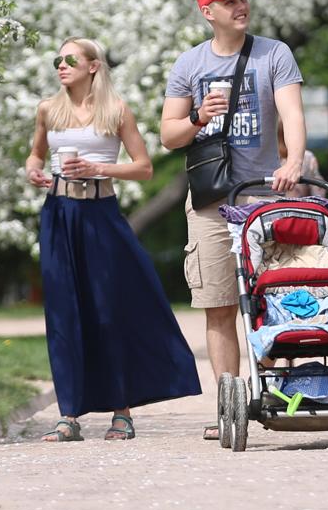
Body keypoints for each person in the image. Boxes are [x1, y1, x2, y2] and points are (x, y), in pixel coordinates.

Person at [26, 37, 201, 441]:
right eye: (58, 60)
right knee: (63, 313)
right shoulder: (48, 110)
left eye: (70, 59)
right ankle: (68, 415)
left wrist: (98, 168)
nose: (61, 66)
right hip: (58, 215)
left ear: (93, 66)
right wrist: (33, 171)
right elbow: (35, 155)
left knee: (108, 310)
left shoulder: (117, 111)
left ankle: (122, 412)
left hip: (100, 215)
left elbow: (144, 168)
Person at [160, 0, 306, 442]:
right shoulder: (190, 64)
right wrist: (200, 116)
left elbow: (292, 113)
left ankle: (274, 391)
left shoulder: (274, 54)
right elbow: (168, 135)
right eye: (230, 1)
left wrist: (295, 161)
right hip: (209, 201)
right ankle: (229, 403)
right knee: (219, 305)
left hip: (263, 194)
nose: (241, 6)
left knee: (274, 298)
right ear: (208, 13)